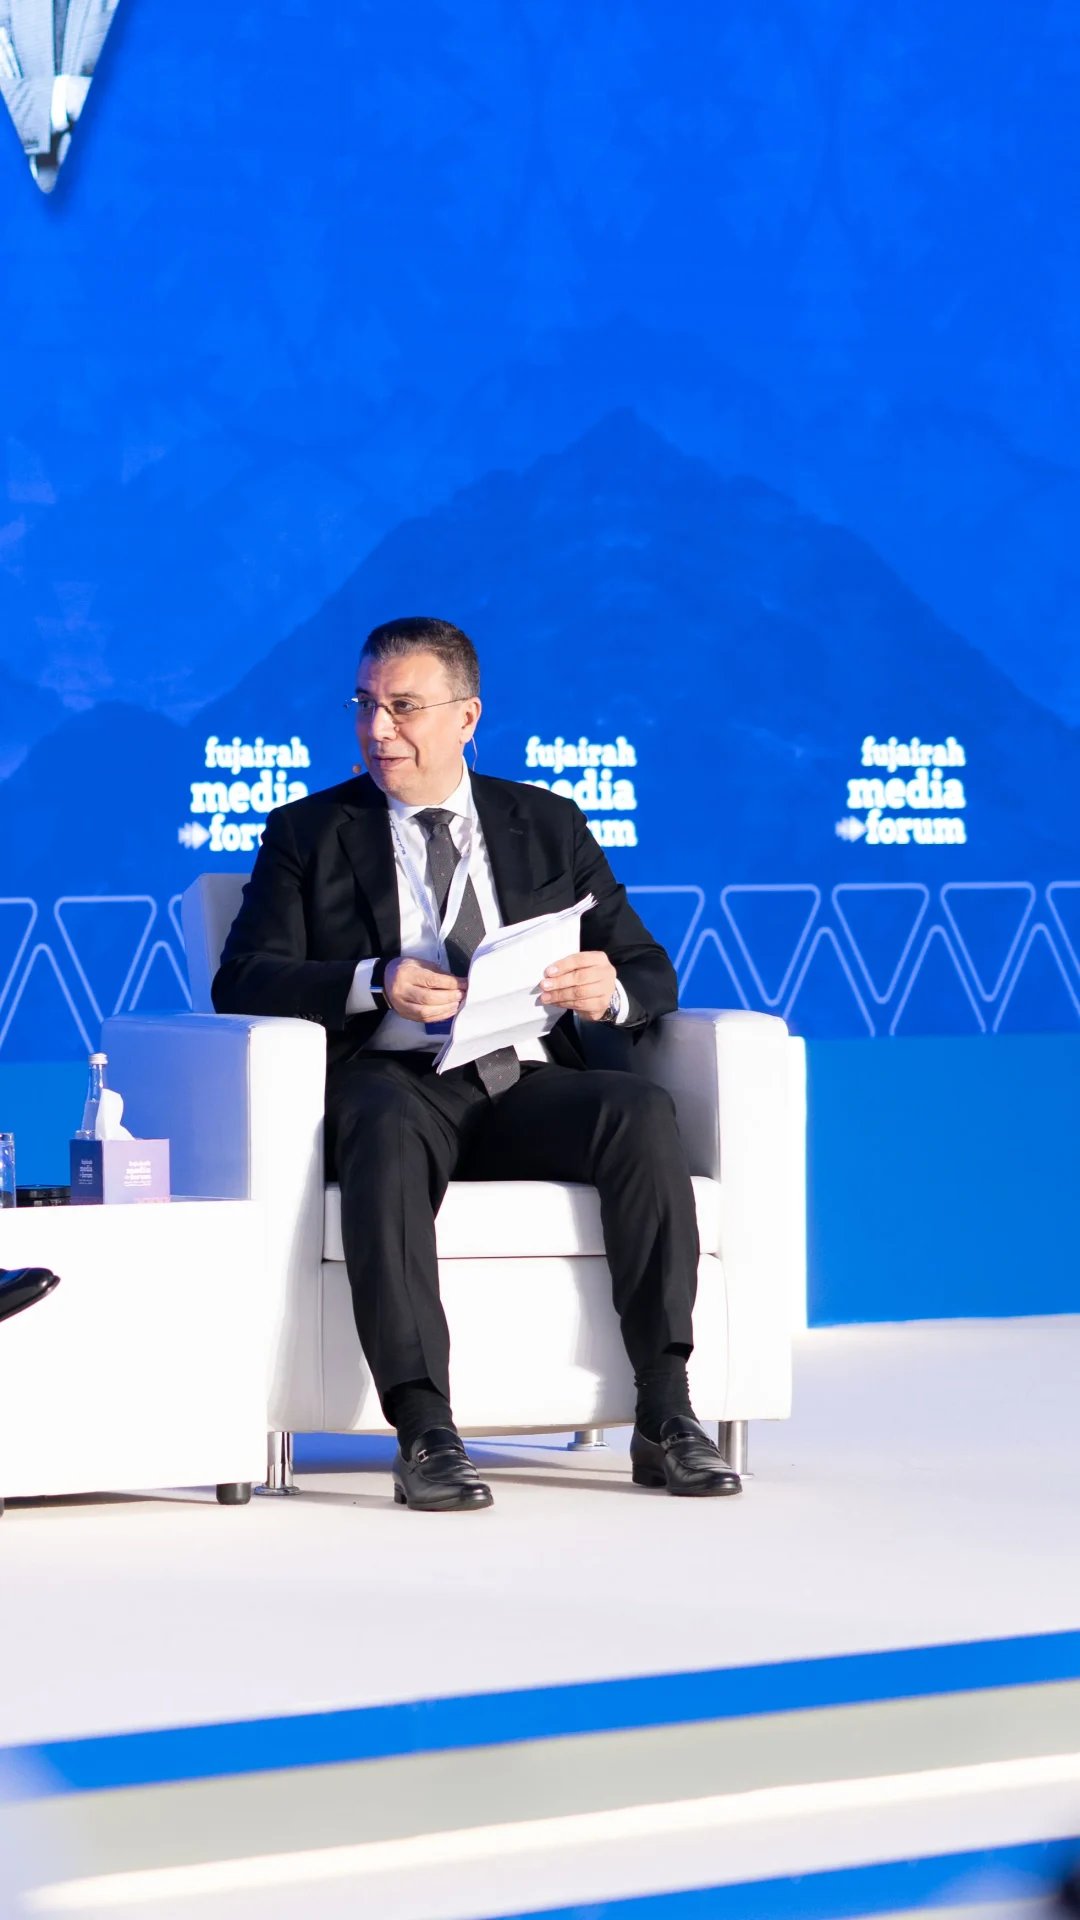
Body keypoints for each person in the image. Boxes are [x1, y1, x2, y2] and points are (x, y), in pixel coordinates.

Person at [213, 616, 741, 1511]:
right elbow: (243, 978)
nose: (379, 729)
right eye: (365, 706)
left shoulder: (547, 823)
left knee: (638, 1112)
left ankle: (666, 1411)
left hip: (525, 1079)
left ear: (467, 716)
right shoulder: (309, 833)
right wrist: (372, 981)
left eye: (404, 707)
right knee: (381, 1126)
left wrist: (607, 986)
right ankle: (425, 1431)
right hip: (398, 1083)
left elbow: (649, 967)